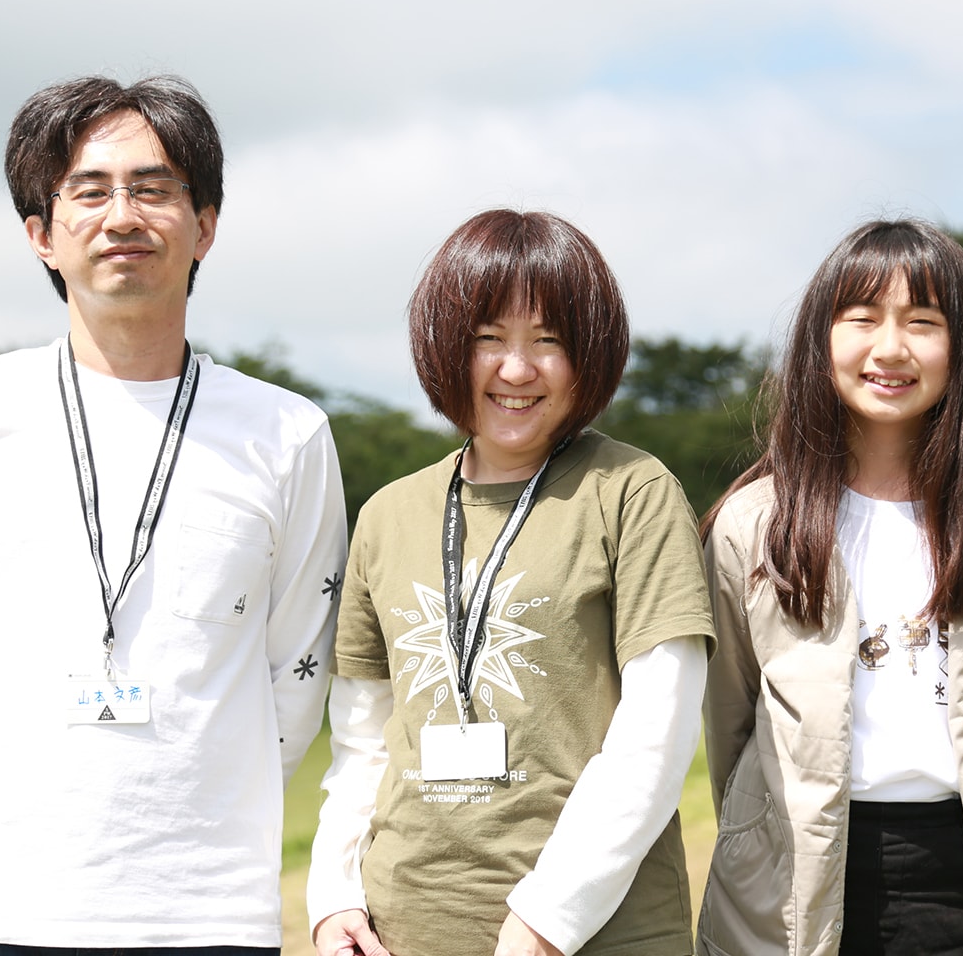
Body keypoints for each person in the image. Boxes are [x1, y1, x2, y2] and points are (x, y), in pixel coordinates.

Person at [0, 75, 347, 955]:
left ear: (205, 226)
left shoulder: (287, 433)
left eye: (153, 188)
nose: (122, 215)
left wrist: (203, 802)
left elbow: (298, 666)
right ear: (41, 236)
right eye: (89, 191)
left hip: (201, 913)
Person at [306, 209, 715, 956]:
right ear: (443, 347)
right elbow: (362, 740)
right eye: (487, 339)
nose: (517, 369)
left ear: (589, 353)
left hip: (593, 936)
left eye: (548, 340)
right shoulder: (388, 514)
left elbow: (657, 735)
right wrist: (333, 898)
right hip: (404, 930)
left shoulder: (632, 491)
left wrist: (546, 923)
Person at [695, 219, 963, 956]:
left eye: (923, 322)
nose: (890, 348)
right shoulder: (754, 525)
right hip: (794, 888)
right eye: (862, 318)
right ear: (821, 339)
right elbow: (730, 721)